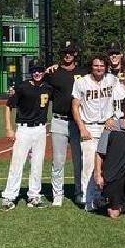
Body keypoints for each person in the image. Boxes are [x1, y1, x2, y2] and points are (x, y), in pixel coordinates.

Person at [0, 65, 52, 211]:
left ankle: (34, 195)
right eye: (34, 70)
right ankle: (9, 196)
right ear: (30, 72)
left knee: (37, 164)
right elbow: (9, 106)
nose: (37, 73)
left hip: (40, 129)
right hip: (24, 129)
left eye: (40, 70)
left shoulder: (48, 87)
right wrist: (9, 128)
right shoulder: (22, 87)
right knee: (17, 163)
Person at [71, 55, 118, 212]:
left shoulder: (111, 79)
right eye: (96, 65)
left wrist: (112, 117)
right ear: (91, 67)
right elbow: (75, 106)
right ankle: (88, 199)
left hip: (107, 127)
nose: (99, 68)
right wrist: (82, 128)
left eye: (102, 66)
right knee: (89, 165)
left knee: (106, 164)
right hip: (89, 127)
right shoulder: (81, 82)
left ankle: (101, 197)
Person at [45, 41, 88, 206]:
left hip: (78, 122)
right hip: (59, 120)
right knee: (58, 161)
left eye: (70, 52)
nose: (67, 55)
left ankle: (79, 192)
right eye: (64, 52)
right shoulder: (53, 72)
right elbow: (39, 85)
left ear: (75, 53)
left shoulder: (83, 72)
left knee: (79, 161)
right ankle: (57, 194)